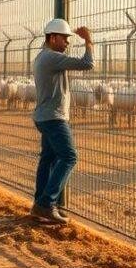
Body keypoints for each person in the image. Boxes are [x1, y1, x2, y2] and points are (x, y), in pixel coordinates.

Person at [30, 17, 94, 225]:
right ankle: (47, 204)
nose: (67, 43)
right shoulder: (51, 57)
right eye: (65, 39)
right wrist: (88, 41)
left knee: (47, 159)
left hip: (44, 116)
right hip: (54, 118)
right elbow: (87, 63)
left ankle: (39, 205)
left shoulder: (41, 57)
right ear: (53, 37)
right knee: (69, 156)